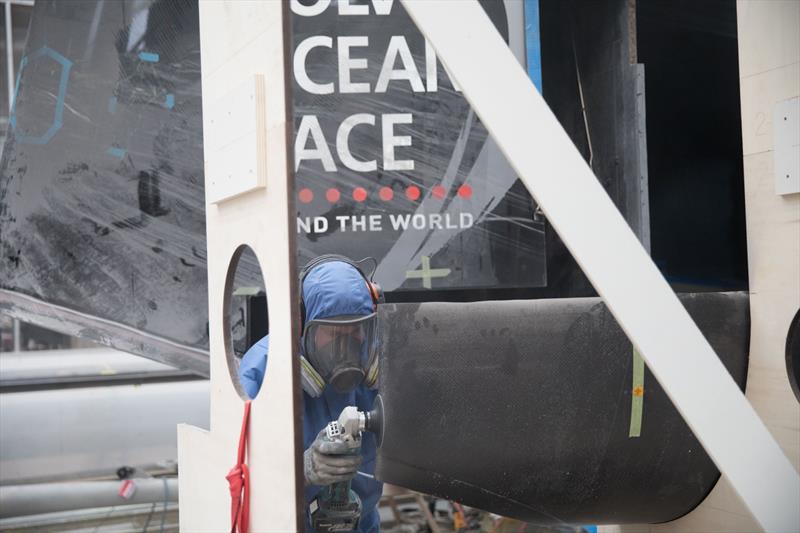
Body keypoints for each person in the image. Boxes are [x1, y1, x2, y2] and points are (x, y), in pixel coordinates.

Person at [238, 255, 383, 532]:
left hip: (362, 524)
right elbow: (237, 473)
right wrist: (299, 471)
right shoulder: (262, 371)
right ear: (301, 323)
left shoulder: (374, 360)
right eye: (334, 332)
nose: (347, 343)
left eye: (356, 329)